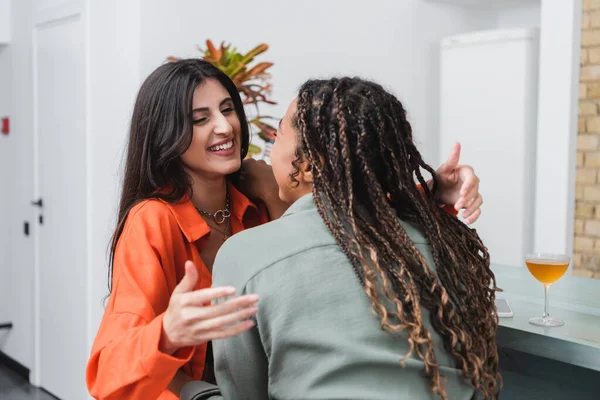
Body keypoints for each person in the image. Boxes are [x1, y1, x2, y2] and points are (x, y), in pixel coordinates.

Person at [86, 59, 484, 400]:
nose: (225, 127)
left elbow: (341, 209)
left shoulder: (262, 192)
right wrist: (168, 333)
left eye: (228, 109)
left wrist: (431, 191)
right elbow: (107, 374)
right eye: (200, 119)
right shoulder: (152, 220)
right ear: (165, 135)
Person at [184, 77, 500, 400]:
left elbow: (243, 393)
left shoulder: (242, 256)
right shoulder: (446, 246)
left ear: (306, 166)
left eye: (277, 135)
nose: (267, 153)